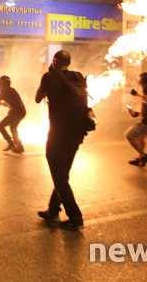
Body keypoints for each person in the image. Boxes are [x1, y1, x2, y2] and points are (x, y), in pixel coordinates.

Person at [34, 50, 88, 230]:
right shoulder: (78, 77)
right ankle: (52, 211)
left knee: (59, 177)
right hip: (77, 132)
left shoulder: (49, 77)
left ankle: (75, 217)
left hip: (58, 133)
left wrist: (49, 73)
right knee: (62, 173)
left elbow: (37, 98)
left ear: (55, 61)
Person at [0, 75, 26, 153]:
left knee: (0, 126)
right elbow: (9, 104)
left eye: (0, 84)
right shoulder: (11, 90)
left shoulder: (3, 92)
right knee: (13, 128)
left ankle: (11, 143)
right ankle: (19, 147)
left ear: (3, 84)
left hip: (17, 113)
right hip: (21, 112)